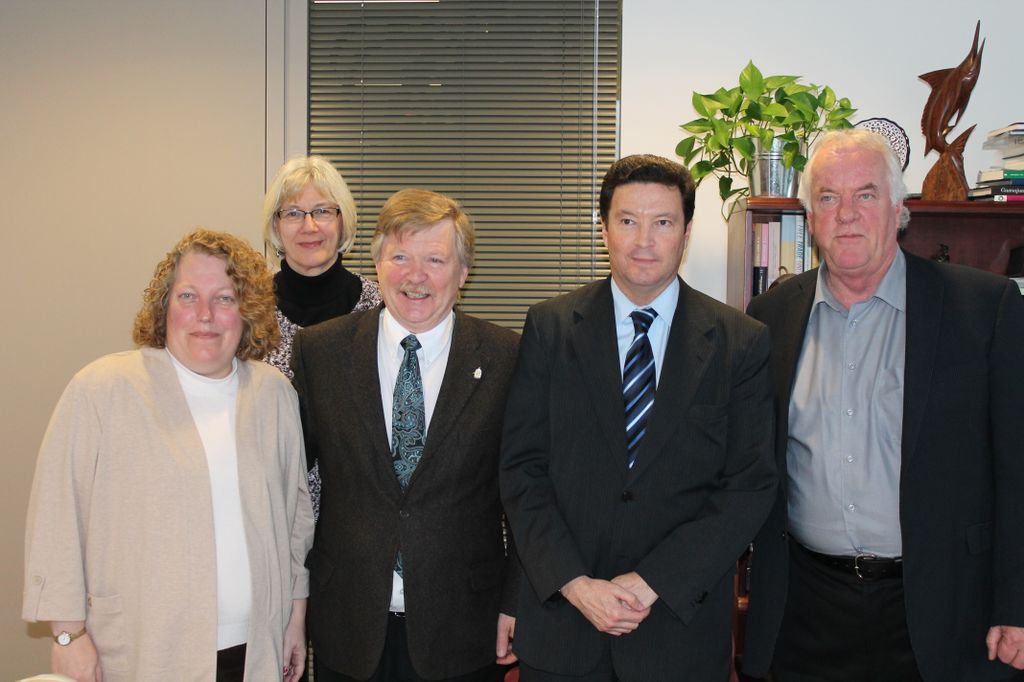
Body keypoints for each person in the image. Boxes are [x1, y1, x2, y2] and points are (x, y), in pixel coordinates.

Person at [741, 129, 1024, 681]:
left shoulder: (983, 309)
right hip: (807, 608)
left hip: (944, 607)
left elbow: (1018, 467)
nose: (846, 214)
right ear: (810, 217)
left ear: (898, 208)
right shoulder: (770, 315)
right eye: (828, 197)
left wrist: (1016, 603)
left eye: (865, 194)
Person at [500, 154, 776, 681]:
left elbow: (749, 485)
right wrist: (576, 584)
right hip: (564, 628)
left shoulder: (740, 342)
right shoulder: (549, 328)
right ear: (603, 229)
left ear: (686, 233)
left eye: (663, 222)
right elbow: (521, 471)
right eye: (627, 221)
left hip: (677, 631)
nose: (643, 240)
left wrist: (653, 581)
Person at [23, 229, 315, 682]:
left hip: (257, 646)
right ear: (164, 306)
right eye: (188, 296)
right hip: (143, 648)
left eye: (224, 298)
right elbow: (57, 515)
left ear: (248, 310)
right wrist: (67, 635)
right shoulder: (103, 389)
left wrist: (295, 618)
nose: (205, 315)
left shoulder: (273, 394)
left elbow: (295, 521)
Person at [291, 189, 520, 681]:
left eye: (435, 259)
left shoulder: (507, 358)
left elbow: (527, 491)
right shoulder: (321, 353)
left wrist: (517, 600)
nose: (416, 276)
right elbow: (287, 484)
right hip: (346, 624)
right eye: (400, 257)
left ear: (463, 272)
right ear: (377, 264)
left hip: (464, 627)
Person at [262, 155, 382, 522]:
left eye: (322, 211)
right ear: (276, 226)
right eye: (293, 213)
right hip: (270, 510)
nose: (309, 225)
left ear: (343, 220)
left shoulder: (382, 308)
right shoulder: (245, 310)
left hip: (362, 517)